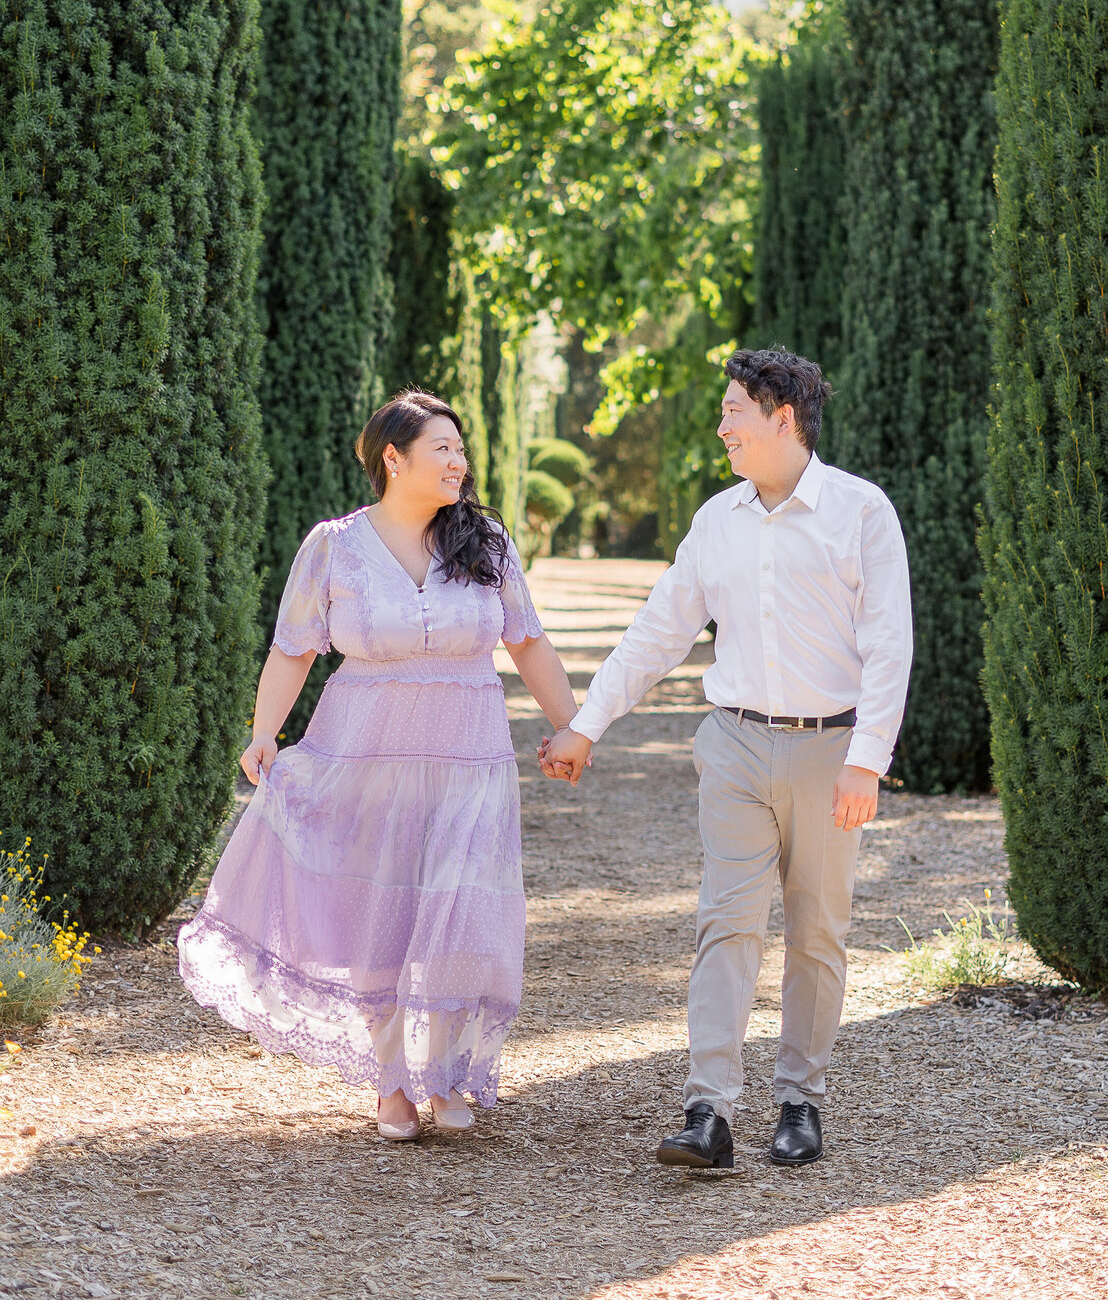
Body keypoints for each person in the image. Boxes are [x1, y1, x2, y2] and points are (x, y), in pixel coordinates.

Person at [539, 347, 912, 1170]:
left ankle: (799, 1102)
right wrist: (587, 724)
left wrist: (867, 760)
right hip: (735, 742)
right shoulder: (718, 520)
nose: (722, 427)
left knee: (818, 932)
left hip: (830, 749)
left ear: (784, 418)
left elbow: (889, 644)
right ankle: (709, 1110)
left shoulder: (861, 511)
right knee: (726, 923)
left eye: (734, 410)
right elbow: (660, 630)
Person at [179, 390, 582, 1141]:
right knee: (380, 917)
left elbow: (527, 641)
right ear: (391, 459)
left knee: (464, 913)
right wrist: (265, 732)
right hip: (362, 754)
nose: (459, 462)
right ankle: (391, 1077)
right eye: (443, 449)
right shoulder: (333, 547)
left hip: (469, 756)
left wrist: (573, 727)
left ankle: (448, 1072)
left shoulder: (486, 542)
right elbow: (293, 647)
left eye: (462, 450)